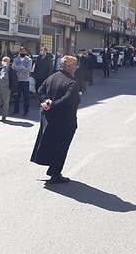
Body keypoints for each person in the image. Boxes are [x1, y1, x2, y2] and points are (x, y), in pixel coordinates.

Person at [30, 55, 81, 184]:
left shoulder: (52, 77)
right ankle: (56, 174)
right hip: (64, 121)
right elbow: (68, 100)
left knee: (51, 144)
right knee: (61, 147)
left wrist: (45, 102)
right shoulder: (72, 82)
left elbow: (40, 90)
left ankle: (53, 169)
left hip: (49, 118)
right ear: (72, 67)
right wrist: (51, 104)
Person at [0, 56, 18, 122]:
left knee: (5, 103)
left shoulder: (11, 71)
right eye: (3, 60)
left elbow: (14, 81)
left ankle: (4, 117)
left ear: (8, 62)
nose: (3, 62)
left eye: (5, 61)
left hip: (6, 89)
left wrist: (13, 90)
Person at [12, 46, 32, 117]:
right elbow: (13, 67)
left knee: (26, 97)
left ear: (26, 52)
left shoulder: (29, 60)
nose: (22, 52)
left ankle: (26, 111)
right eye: (21, 51)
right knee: (16, 96)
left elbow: (28, 69)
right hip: (17, 80)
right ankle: (16, 110)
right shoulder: (16, 59)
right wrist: (22, 67)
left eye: (23, 51)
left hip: (25, 80)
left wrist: (19, 69)